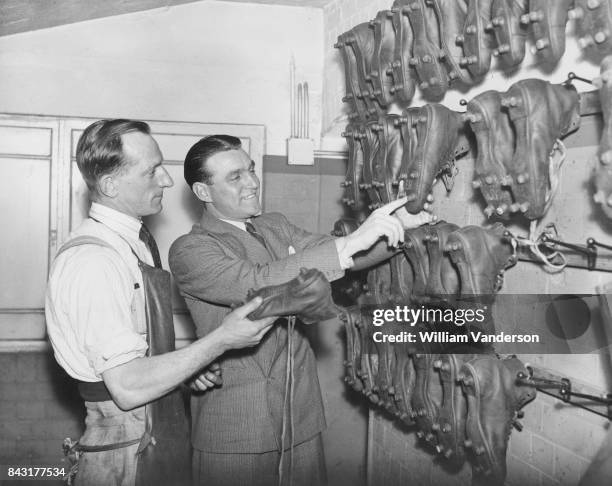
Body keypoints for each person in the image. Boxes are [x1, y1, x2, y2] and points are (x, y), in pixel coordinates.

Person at [168, 134, 435, 486]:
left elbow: (345, 257)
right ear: (204, 192)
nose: (252, 182)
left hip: (300, 418)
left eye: (250, 170)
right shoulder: (191, 249)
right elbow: (254, 282)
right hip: (237, 430)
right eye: (235, 177)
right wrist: (352, 240)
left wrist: (399, 227)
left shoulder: (274, 225)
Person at [45, 120, 277, 486]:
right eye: (152, 170)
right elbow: (127, 386)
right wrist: (221, 339)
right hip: (124, 449)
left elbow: (138, 353)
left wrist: (186, 368)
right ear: (109, 185)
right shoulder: (94, 262)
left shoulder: (134, 243)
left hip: (156, 431)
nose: (167, 181)